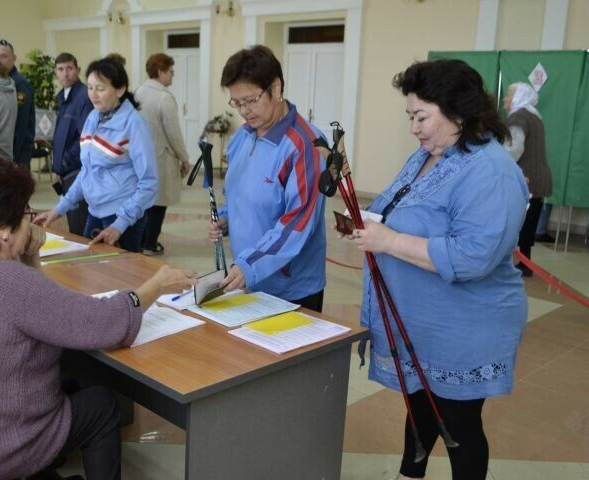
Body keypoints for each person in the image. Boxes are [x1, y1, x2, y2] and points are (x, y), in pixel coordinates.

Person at [0, 158, 195, 480]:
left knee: (68, 378)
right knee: (100, 405)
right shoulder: (7, 281)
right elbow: (101, 323)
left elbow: (38, 310)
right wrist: (156, 286)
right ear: (2, 230)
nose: (31, 221)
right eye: (25, 214)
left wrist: (29, 257)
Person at [342, 59, 528, 480]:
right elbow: (393, 207)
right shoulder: (428, 155)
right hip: (420, 321)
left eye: (421, 117)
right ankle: (410, 474)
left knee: (459, 426)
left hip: (465, 327)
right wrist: (368, 224)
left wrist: (387, 241)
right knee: (419, 408)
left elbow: (471, 256)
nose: (414, 128)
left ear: (457, 111)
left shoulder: (492, 171)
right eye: (410, 117)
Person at [207, 45, 327, 312]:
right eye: (237, 103)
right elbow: (241, 195)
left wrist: (250, 264)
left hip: (290, 287)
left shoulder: (305, 145)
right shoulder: (242, 136)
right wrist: (226, 218)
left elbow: (297, 222)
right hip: (249, 276)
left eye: (251, 100)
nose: (245, 111)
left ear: (276, 87)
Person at [34, 57, 159, 252]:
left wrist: (120, 224)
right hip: (94, 213)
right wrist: (58, 210)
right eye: (90, 87)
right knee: (90, 275)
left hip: (122, 217)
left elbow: (149, 183)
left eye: (100, 89)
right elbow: (87, 172)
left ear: (120, 89)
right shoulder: (93, 117)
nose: (93, 95)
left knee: (123, 280)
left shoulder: (134, 124)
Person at [135, 53, 191, 255]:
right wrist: (184, 157)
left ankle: (140, 239)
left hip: (140, 157)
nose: (173, 76)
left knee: (145, 202)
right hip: (161, 157)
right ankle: (150, 242)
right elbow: (173, 133)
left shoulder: (137, 92)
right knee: (159, 202)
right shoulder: (164, 98)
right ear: (161, 71)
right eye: (171, 72)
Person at [503, 82, 553, 277]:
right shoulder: (534, 116)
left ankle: (521, 265)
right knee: (528, 224)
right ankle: (524, 263)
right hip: (537, 178)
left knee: (521, 224)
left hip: (526, 179)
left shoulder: (519, 117)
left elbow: (513, 149)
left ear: (518, 98)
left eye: (508, 96)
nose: (505, 100)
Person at [52, 52, 93, 236]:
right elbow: (62, 136)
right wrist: (56, 168)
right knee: (74, 225)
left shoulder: (84, 96)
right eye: (61, 69)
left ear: (78, 70)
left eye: (69, 68)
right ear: (55, 72)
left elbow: (84, 138)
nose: (65, 73)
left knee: (79, 227)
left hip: (76, 170)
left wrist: (64, 163)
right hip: (66, 170)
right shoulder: (63, 96)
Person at [0, 39, 35, 167]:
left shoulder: (18, 84)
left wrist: (13, 157)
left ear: (13, 58)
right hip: (2, 153)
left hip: (15, 156)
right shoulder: (0, 81)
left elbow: (20, 124)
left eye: (3, 56)